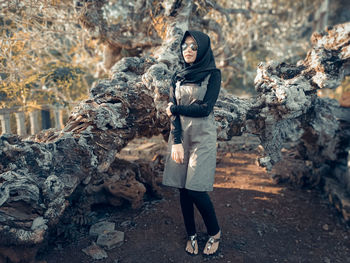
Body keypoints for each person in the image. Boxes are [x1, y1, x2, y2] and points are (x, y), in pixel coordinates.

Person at [162, 30, 221, 256]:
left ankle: (215, 233)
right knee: (183, 189)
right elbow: (172, 114)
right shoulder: (177, 75)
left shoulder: (213, 74)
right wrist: (176, 141)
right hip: (180, 136)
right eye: (185, 46)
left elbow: (205, 108)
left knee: (196, 189)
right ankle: (192, 234)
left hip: (203, 135)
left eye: (194, 47)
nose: (188, 50)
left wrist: (175, 108)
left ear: (203, 49)